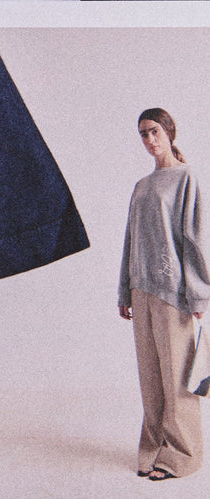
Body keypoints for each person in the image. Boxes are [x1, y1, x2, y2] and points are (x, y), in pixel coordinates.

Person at [119, 108, 209, 481]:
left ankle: (182, 456)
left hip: (173, 293)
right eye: (143, 134)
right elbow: (131, 241)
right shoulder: (142, 186)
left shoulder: (186, 178)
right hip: (141, 290)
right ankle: (153, 450)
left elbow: (194, 238)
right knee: (151, 378)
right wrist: (124, 290)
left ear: (169, 131)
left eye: (154, 131)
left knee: (177, 379)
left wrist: (199, 295)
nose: (149, 139)